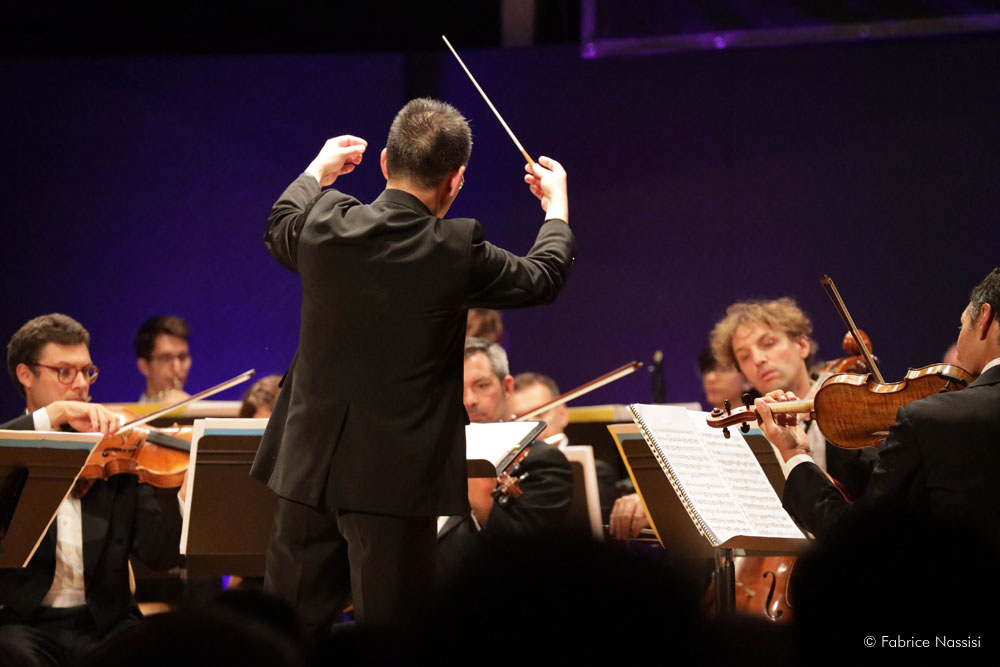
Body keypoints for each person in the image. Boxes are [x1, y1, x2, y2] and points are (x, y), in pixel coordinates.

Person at [250, 97, 574, 631]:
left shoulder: (326, 221)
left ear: (384, 162)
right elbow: (543, 276)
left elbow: (280, 223)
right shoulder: (453, 249)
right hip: (394, 482)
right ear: (456, 180)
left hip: (307, 467)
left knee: (285, 636)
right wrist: (555, 205)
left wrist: (318, 171)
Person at [755, 268, 1000, 547]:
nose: (959, 340)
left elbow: (857, 537)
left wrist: (794, 453)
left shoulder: (933, 419)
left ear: (984, 319)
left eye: (961, 325)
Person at [608, 298, 876, 539]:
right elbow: (710, 493)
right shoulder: (741, 428)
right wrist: (653, 503)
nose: (758, 359)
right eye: (744, 356)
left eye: (768, 343)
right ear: (744, 374)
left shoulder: (849, 409)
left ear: (802, 345)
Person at [0, 314, 184, 660]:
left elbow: (160, 556)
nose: (81, 384)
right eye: (65, 372)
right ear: (26, 375)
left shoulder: (116, 447)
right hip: (22, 623)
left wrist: (172, 483)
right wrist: (51, 417)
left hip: (108, 623)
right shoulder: (10, 449)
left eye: (87, 371)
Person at [437, 339, 573, 577]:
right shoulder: (432, 455)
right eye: (458, 388)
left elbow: (529, 559)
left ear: (507, 388)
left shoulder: (543, 461)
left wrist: (483, 504)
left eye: (481, 385)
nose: (469, 400)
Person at [508, 371, 617, 521]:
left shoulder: (595, 471)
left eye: (540, 415)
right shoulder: (507, 470)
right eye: (522, 419)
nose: (533, 427)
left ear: (563, 414)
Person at [135, 315, 192, 403]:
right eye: (166, 358)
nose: (176, 368)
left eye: (182, 357)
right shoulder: (126, 412)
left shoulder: (198, 408)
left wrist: (192, 407)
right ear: (144, 366)